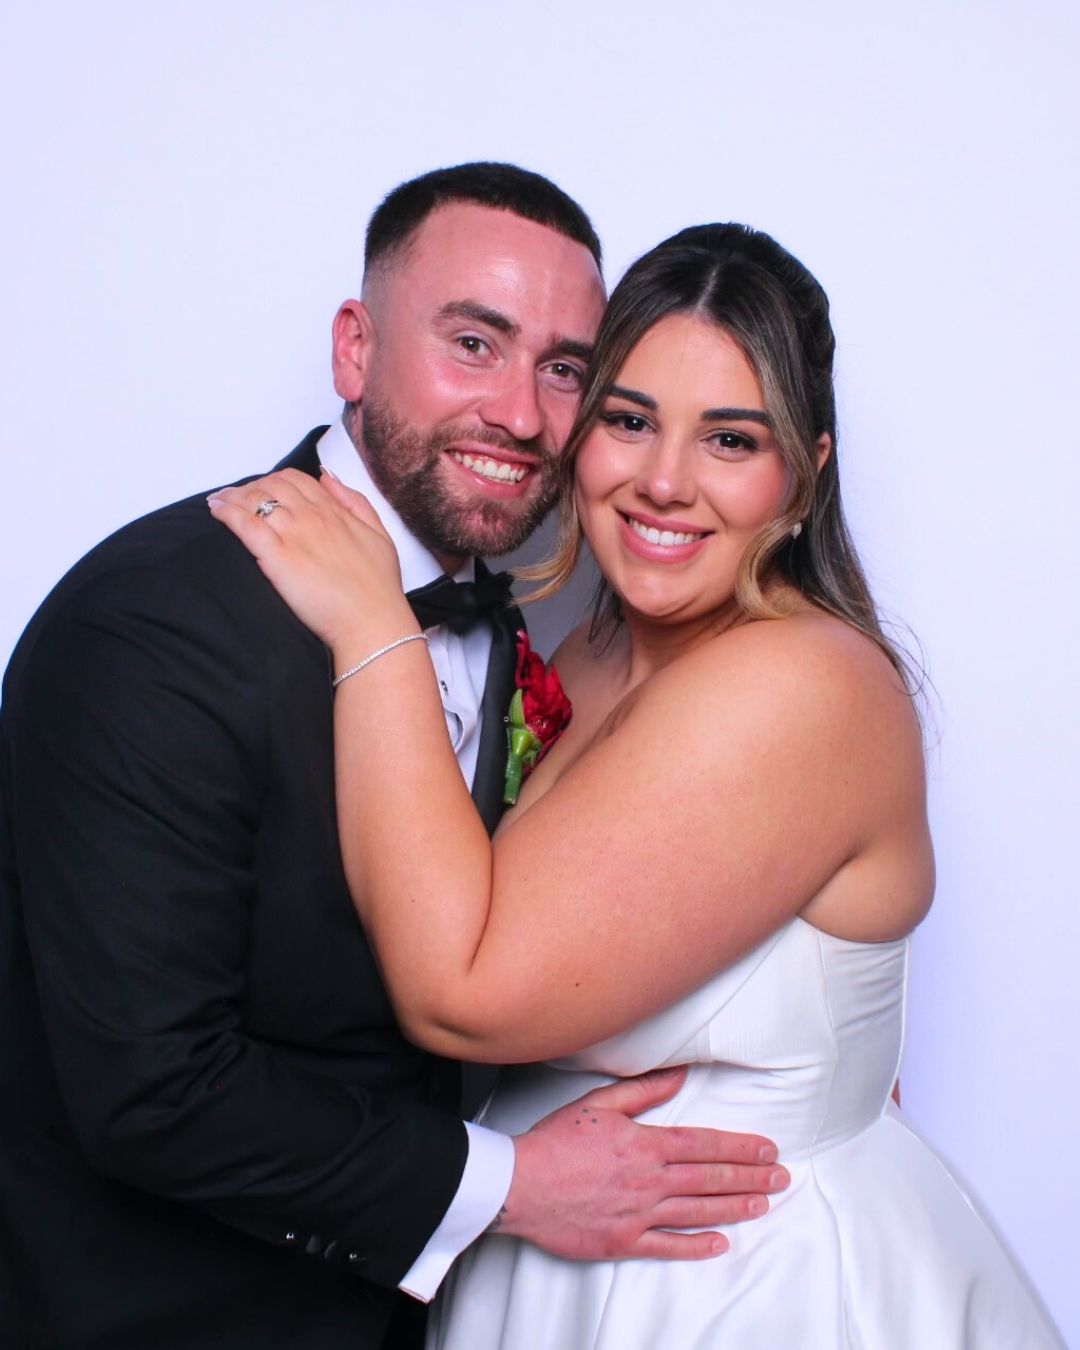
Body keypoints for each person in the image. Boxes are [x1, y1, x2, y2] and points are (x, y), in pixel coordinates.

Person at [211, 221, 1066, 1347]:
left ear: (805, 474)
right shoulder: (588, 657)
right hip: (554, 1258)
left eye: (729, 440)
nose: (664, 483)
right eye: (629, 421)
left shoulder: (799, 684)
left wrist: (374, 621)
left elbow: (460, 992)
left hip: (740, 1282)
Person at [0, 167, 788, 1350]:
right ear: (354, 350)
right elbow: (152, 1091)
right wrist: (513, 1186)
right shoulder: (155, 621)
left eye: (565, 369)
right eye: (474, 343)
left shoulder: (536, 634)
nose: (522, 415)